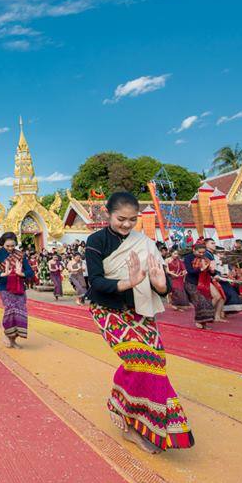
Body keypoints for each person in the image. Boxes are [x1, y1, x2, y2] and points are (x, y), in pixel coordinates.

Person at [84, 192, 194, 454]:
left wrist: (160, 285)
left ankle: (141, 418)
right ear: (107, 213)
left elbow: (162, 282)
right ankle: (124, 413)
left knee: (156, 362)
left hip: (140, 310)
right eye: (121, 219)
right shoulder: (95, 241)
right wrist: (127, 283)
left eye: (132, 220)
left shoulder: (144, 242)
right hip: (107, 309)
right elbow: (96, 282)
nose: (126, 225)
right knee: (138, 360)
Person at [0, 232, 34, 348]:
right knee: (10, 310)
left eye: (13, 246)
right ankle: (7, 334)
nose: (10, 248)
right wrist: (2, 274)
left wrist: (21, 273)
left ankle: (13, 340)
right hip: (5, 287)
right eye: (7, 246)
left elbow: (30, 272)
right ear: (2, 244)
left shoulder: (20, 255)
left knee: (20, 313)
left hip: (19, 287)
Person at [183, 242, 218, 329]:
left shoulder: (206, 259)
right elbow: (190, 271)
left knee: (207, 302)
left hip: (203, 283)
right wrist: (201, 269)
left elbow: (210, 272)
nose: (201, 254)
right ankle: (199, 321)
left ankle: (204, 323)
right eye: (199, 252)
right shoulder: (188, 258)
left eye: (203, 252)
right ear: (194, 250)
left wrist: (212, 271)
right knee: (200, 302)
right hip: (191, 283)